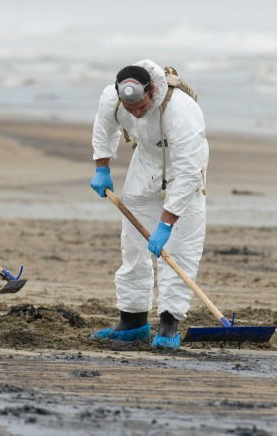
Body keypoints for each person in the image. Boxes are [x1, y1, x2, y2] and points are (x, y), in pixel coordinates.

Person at [88, 60, 209, 349]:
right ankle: (132, 320)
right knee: (133, 245)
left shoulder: (182, 111)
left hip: (184, 171)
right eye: (130, 110)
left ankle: (169, 324)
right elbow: (104, 128)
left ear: (151, 90)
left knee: (180, 250)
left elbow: (190, 171)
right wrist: (101, 166)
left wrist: (167, 223)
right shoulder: (112, 98)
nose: (137, 114)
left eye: (141, 107)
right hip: (145, 164)